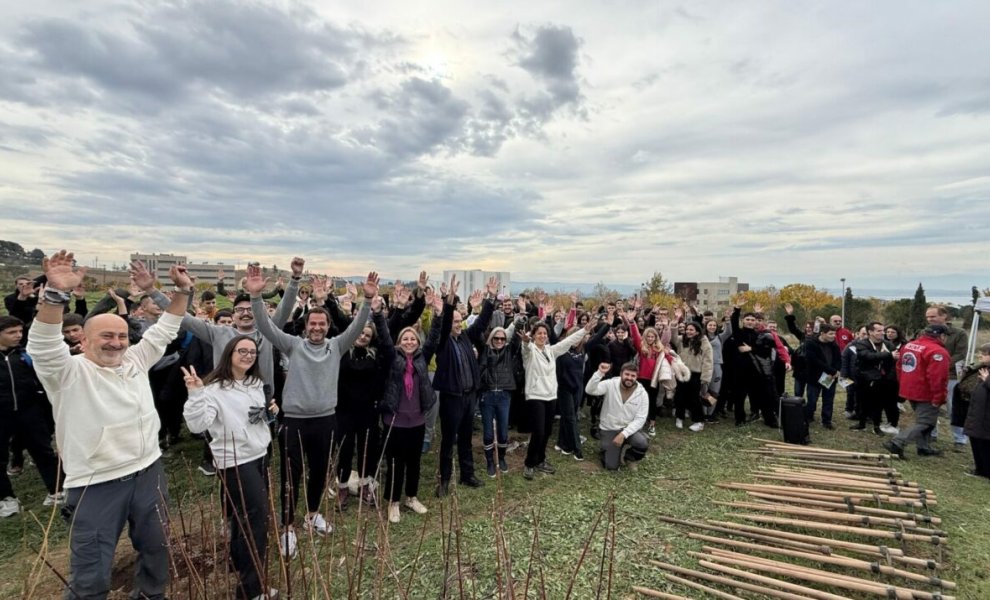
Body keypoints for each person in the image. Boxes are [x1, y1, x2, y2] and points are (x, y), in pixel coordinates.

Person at [27, 250, 191, 600]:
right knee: (92, 572)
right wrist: (56, 295)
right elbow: (42, 346)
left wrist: (183, 292)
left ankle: (150, 596)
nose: (116, 343)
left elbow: (165, 329)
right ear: (82, 340)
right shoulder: (68, 373)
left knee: (156, 550)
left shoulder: (134, 359)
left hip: (148, 471)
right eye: (106, 337)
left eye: (121, 336)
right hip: (96, 483)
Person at [247, 263, 378, 557]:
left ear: (328, 327)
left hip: (326, 421)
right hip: (294, 422)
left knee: (319, 472)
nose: (317, 328)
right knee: (291, 477)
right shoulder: (293, 345)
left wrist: (367, 300)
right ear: (305, 327)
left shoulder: (336, 346)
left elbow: (357, 325)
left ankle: (313, 514)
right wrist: (257, 298)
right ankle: (288, 528)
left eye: (321, 324)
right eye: (312, 324)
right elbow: (266, 327)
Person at [182, 336, 279, 600]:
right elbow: (198, 425)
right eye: (242, 351)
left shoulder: (255, 383)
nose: (247, 356)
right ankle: (251, 590)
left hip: (259, 455)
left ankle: (238, 562)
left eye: (252, 352)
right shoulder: (214, 389)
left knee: (242, 519)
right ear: (229, 353)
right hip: (236, 461)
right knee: (255, 524)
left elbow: (253, 418)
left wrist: (270, 413)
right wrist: (195, 394)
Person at [430, 275, 497, 497]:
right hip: (451, 398)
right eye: (454, 322)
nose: (458, 325)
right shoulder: (443, 343)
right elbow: (446, 319)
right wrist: (449, 303)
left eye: (460, 322)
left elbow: (481, 322)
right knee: (449, 441)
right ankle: (444, 481)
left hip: (469, 396)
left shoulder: (466, 337)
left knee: (466, 438)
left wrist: (490, 299)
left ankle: (467, 475)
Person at [379, 311, 445, 523]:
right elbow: (384, 338)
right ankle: (394, 502)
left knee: (414, 462)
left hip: (417, 420)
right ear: (399, 342)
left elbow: (434, 338)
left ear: (418, 342)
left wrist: (438, 316)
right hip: (394, 422)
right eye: (405, 339)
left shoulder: (422, 358)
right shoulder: (393, 358)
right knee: (395, 463)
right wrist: (379, 315)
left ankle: (411, 497)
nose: (409, 342)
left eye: (412, 339)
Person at [0, 316, 63, 518]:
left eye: (19, 331)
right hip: (2, 414)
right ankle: (7, 499)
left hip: (30, 412)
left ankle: (57, 491)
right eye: (11, 332)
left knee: (43, 451)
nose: (18, 335)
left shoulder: (25, 355)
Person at [335, 295, 393, 509]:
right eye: (360, 333)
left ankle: (365, 485)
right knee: (345, 450)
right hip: (344, 411)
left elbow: (388, 344)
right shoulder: (341, 352)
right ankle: (342, 487)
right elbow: (339, 324)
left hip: (369, 411)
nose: (363, 337)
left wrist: (379, 316)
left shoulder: (377, 355)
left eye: (367, 335)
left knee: (367, 450)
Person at [519, 319, 592, 480]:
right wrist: (525, 342)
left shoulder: (551, 351)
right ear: (534, 335)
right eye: (539, 333)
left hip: (551, 396)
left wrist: (584, 330)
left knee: (547, 431)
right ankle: (529, 463)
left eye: (544, 333)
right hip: (535, 396)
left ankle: (541, 460)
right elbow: (525, 348)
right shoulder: (530, 351)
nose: (542, 336)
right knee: (538, 431)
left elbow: (568, 341)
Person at [883, 325, 952, 459]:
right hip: (925, 392)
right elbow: (938, 378)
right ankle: (897, 442)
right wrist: (939, 397)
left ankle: (923, 447)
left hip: (909, 389)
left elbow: (899, 367)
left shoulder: (909, 345)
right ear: (941, 336)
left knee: (926, 420)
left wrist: (903, 383)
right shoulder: (938, 352)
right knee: (925, 422)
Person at [478, 313, 523, 476]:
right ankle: (490, 461)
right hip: (487, 396)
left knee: (503, 432)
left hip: (504, 396)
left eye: (502, 339)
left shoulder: (509, 352)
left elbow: (517, 337)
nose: (499, 341)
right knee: (488, 432)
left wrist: (520, 319)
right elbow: (477, 331)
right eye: (496, 338)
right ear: (491, 338)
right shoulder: (485, 351)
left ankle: (502, 458)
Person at [585, 362, 649, 471]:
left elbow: (640, 419)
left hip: (628, 429)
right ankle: (606, 449)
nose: (629, 378)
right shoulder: (610, 384)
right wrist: (599, 373)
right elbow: (590, 390)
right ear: (621, 374)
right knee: (611, 467)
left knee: (642, 442)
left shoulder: (642, 393)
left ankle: (629, 458)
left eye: (633, 376)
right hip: (609, 428)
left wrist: (623, 434)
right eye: (627, 374)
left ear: (637, 377)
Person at [925, 305, 969, 449]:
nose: (930, 319)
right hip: (930, 376)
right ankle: (931, 434)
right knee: (931, 407)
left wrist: (941, 364)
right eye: (928, 317)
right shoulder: (924, 332)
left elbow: (961, 354)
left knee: (953, 408)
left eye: (933, 316)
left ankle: (960, 439)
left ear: (944, 316)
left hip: (951, 376)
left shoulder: (959, 333)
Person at [850, 322, 897, 435]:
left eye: (882, 330)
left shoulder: (888, 345)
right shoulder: (861, 344)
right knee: (862, 401)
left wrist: (888, 376)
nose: (882, 333)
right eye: (879, 331)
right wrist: (889, 355)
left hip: (882, 379)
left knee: (878, 403)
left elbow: (893, 362)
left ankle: (876, 426)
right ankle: (861, 423)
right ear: (870, 332)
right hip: (864, 378)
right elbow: (867, 356)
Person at [670, 321, 714, 432]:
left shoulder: (704, 342)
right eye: (687, 329)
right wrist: (674, 325)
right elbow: (673, 337)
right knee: (679, 396)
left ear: (697, 331)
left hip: (696, 374)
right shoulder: (682, 340)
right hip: (682, 372)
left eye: (691, 330)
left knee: (694, 398)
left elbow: (708, 361)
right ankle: (679, 417)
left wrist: (705, 378)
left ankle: (699, 421)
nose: (688, 332)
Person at [803, 324, 842, 429]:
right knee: (812, 399)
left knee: (828, 399)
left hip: (830, 377)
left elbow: (838, 359)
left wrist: (836, 371)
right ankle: (808, 416)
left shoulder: (834, 345)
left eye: (834, 333)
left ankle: (827, 420)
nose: (833, 336)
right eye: (831, 334)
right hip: (815, 377)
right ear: (822, 333)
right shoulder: (811, 343)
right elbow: (814, 361)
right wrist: (832, 371)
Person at [962, 358, 990, 478]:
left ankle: (986, 471)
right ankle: (980, 468)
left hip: (986, 415)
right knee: (975, 440)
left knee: (985, 444)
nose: (981, 356)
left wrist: (987, 380)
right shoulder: (983, 368)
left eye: (984, 354)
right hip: (978, 411)